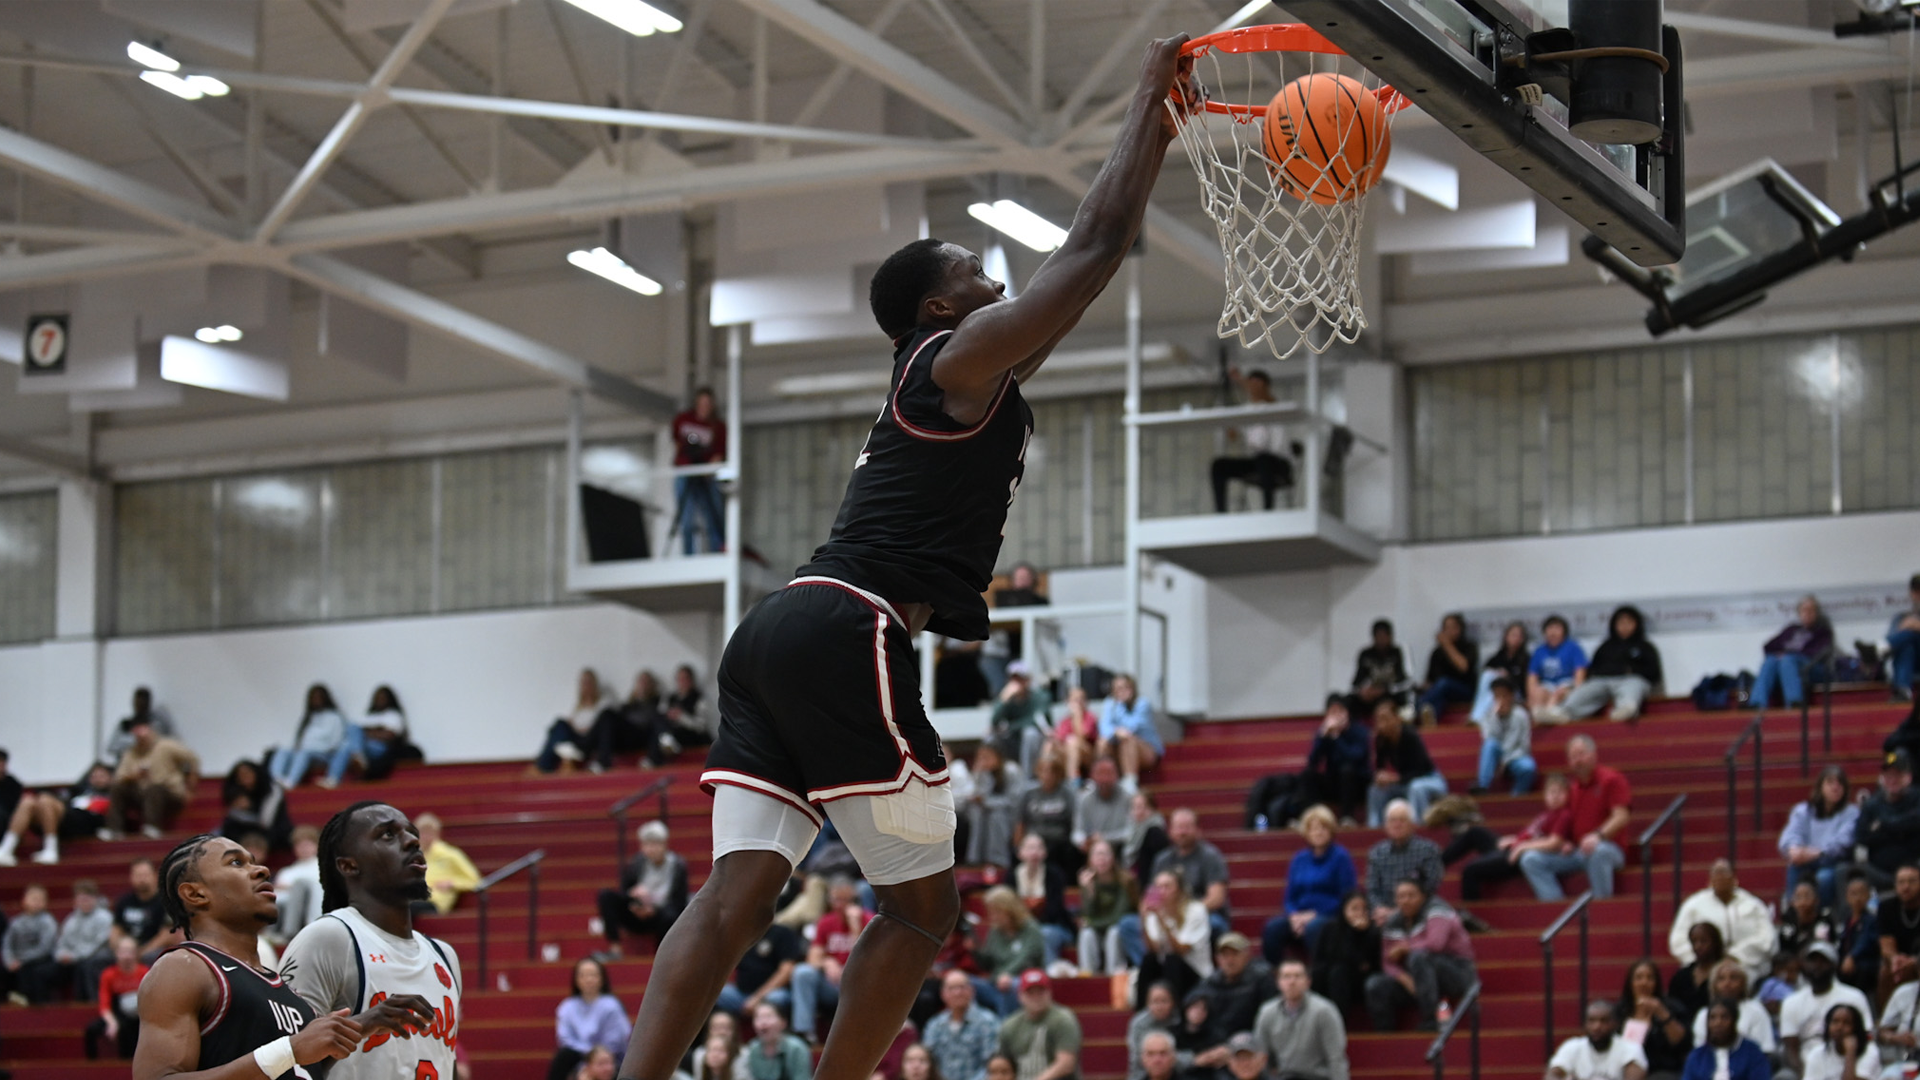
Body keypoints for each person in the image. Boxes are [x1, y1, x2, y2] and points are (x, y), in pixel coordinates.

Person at [630, 98, 1208, 1080]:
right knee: (922, 908)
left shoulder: (970, 370)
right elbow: (1096, 245)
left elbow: (1070, 292)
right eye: (977, 274)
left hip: (775, 630)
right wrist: (1154, 111)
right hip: (850, 625)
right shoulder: (950, 361)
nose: (998, 281)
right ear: (940, 310)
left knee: (734, 899)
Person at [130, 835, 393, 1080]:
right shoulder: (184, 968)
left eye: (253, 862)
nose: (262, 870)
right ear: (196, 894)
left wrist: (361, 1025)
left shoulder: (287, 993)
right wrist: (289, 1050)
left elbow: (291, 1068)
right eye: (236, 862)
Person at [279, 804, 463, 1080]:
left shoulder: (444, 955)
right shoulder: (329, 937)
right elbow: (279, 1061)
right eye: (388, 835)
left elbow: (443, 1061)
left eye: (411, 832)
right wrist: (362, 1025)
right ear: (349, 865)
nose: (413, 840)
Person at [1521, 735, 1631, 900]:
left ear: (1593, 754)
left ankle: (1602, 909)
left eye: (1581, 754)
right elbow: (1567, 822)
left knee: (1598, 851)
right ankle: (1557, 910)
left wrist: (1598, 836)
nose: (1577, 761)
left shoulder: (1611, 780)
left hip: (1609, 848)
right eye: (1572, 757)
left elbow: (1622, 816)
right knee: (1531, 859)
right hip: (1579, 851)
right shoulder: (1572, 789)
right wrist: (1566, 842)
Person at [1364, 878, 1475, 1032]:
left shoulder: (1438, 910)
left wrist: (1405, 948)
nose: (1405, 901)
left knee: (1419, 957)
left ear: (1423, 896)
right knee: (1374, 984)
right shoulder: (1393, 922)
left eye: (1411, 895)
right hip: (1418, 980)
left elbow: (1435, 944)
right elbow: (1387, 962)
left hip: (1457, 973)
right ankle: (1386, 1035)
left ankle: (1431, 1020)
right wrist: (1406, 980)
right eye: (1401, 896)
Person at [1458, 773, 1575, 901]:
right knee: (1475, 833)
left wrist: (1521, 846)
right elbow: (1533, 835)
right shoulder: (1546, 815)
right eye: (1552, 792)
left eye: (1560, 793)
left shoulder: (1563, 815)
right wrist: (1515, 839)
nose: (1555, 797)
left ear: (1568, 796)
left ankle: (1470, 915)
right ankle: (1441, 860)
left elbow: (1553, 842)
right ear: (1545, 795)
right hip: (1514, 848)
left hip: (1517, 857)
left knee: (1470, 871)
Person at [1261, 806, 1355, 964]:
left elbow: (1347, 897)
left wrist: (1313, 915)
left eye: (1323, 828)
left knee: (1315, 928)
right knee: (1272, 928)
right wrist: (1295, 916)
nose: (1318, 833)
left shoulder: (1341, 857)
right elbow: (1289, 897)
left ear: (1331, 830)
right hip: (1299, 916)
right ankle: (1278, 975)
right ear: (1306, 832)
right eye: (1313, 828)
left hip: (1329, 916)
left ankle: (1318, 977)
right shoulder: (1299, 859)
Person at [1669, 860, 1775, 984]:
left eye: (1724, 873)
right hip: (1705, 972)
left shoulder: (1753, 905)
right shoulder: (1693, 906)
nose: (1720, 877)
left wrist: (1735, 957)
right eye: (1716, 873)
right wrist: (1704, 962)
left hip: (1748, 969)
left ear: (1734, 878)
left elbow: (1767, 939)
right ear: (1710, 879)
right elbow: (1678, 941)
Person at [595, 820, 690, 960]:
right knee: (606, 896)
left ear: (664, 844)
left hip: (662, 915)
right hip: (637, 912)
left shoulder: (678, 865)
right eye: (647, 844)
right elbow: (625, 891)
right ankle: (615, 948)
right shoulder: (637, 862)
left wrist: (654, 908)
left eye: (655, 844)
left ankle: (662, 958)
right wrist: (634, 899)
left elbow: (679, 901)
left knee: (670, 915)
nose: (651, 849)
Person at [1778, 944, 1874, 1080]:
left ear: (1834, 965)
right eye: (1812, 961)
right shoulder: (1791, 1002)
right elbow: (1790, 1047)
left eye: (1823, 961)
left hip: (1849, 1059)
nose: (1817, 966)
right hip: (1809, 1064)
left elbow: (1867, 1036)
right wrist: (1806, 1073)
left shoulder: (1854, 996)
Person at [794, 877, 870, 1042]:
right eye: (836, 899)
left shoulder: (869, 920)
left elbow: (867, 960)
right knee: (802, 972)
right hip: (832, 985)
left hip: (859, 984)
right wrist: (827, 962)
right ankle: (804, 1033)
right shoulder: (826, 922)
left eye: (845, 900)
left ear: (854, 900)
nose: (839, 905)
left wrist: (856, 927)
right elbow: (812, 959)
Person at [1210, 368, 1294, 514]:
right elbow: (1234, 435)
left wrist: (1240, 380)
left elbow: (1264, 397)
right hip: (1258, 462)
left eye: (1258, 384)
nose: (1254, 388)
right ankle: (1221, 513)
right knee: (1219, 465)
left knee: (1264, 460)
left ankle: (1268, 511)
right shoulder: (1247, 409)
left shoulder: (1272, 405)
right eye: (1252, 383)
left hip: (1279, 464)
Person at [1556, 606, 1662, 723]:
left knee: (1633, 685)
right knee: (1588, 688)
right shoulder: (1605, 647)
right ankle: (1564, 712)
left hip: (1631, 679)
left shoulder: (1645, 647)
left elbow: (1654, 672)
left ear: (1637, 624)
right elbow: (1593, 670)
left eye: (1629, 622)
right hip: (1603, 681)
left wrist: (1630, 670)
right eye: (1621, 622)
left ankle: (1626, 709)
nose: (1624, 626)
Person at [0, 759, 113, 867]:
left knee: (45, 799)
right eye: (94, 776)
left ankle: (51, 849)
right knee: (27, 801)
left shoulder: (112, 795)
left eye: (101, 776)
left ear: (111, 778)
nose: (97, 779)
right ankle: (6, 850)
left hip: (85, 822)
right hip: (64, 817)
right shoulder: (79, 790)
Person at [1252, 959, 1349, 1080]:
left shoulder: (1325, 1011)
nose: (1292, 982)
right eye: (1286, 977)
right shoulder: (1267, 1012)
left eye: (1297, 976)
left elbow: (1336, 1058)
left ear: (1308, 981)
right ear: (1278, 982)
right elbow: (1261, 1055)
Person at [108, 719, 200, 839]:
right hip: (141, 793)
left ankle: (152, 826)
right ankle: (115, 829)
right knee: (117, 788)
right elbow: (119, 778)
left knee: (155, 788)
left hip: (169, 793)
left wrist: (191, 787)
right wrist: (134, 776)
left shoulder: (167, 746)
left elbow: (192, 759)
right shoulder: (131, 752)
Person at [1781, 767, 1859, 907]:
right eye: (1830, 783)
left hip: (1833, 862)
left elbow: (1843, 842)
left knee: (1823, 878)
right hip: (1804, 860)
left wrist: (1816, 852)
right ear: (1820, 786)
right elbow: (1791, 834)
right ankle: (1793, 915)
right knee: (1793, 867)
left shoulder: (1851, 812)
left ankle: (1821, 917)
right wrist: (1794, 849)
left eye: (1840, 783)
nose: (1835, 787)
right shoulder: (1804, 810)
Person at [1134, 870, 1213, 1007]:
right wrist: (1143, 921)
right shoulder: (1154, 913)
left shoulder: (1196, 910)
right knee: (1149, 960)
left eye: (1167, 886)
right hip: (1167, 972)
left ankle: (1176, 1012)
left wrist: (1162, 920)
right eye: (1158, 887)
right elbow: (1153, 949)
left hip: (1195, 973)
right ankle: (1142, 1012)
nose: (1162, 891)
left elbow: (1181, 950)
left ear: (1179, 890)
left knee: (1172, 959)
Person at [1366, 700, 1447, 826]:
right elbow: (1379, 767)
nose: (1382, 724)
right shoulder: (1381, 739)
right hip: (1405, 782)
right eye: (1378, 720)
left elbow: (1421, 770)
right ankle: (1375, 826)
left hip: (1429, 778)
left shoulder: (1410, 736)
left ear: (1397, 719)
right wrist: (1379, 777)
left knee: (1416, 788)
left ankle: (1417, 825)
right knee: (1376, 789)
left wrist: (1395, 779)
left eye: (1385, 719)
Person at [1848, 750, 1920, 891]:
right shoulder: (1872, 804)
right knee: (1845, 870)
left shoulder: (1917, 798)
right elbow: (1861, 836)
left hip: (1914, 869)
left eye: (1897, 775)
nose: (1892, 780)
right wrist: (1902, 830)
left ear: (1908, 777)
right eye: (1888, 776)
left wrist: (1883, 825)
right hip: (1878, 872)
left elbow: (1916, 821)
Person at [1364, 800, 1445, 922]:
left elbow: (1429, 888)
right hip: (1384, 914)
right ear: (1386, 825)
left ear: (1413, 824)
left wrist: (1398, 912)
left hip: (1419, 912)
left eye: (1402, 820)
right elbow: (1372, 889)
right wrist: (1380, 909)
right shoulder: (1376, 853)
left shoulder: (1429, 850)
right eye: (1392, 820)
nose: (1397, 824)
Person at [1750, 597, 1835, 711]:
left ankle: (1794, 703)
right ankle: (1757, 704)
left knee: (1788, 659)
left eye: (1811, 610)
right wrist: (1779, 654)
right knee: (1771, 661)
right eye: (1804, 610)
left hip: (1811, 668)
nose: (1807, 614)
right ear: (1799, 613)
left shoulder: (1823, 632)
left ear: (1817, 613)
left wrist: (1787, 654)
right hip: (1786, 666)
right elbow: (1768, 646)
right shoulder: (1792, 629)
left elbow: (1816, 653)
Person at [671, 386, 728, 554]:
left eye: (708, 403)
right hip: (685, 473)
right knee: (687, 518)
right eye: (702, 403)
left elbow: (718, 454)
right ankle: (688, 554)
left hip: (706, 475)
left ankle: (717, 550)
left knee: (713, 515)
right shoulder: (683, 419)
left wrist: (708, 469)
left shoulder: (718, 427)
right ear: (696, 403)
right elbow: (678, 445)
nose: (705, 407)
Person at [1614, 959, 1691, 1080]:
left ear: (1657, 982)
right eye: (1639, 978)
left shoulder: (1672, 1007)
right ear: (1630, 983)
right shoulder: (1620, 1011)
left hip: (1665, 1072)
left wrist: (1662, 1013)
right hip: (1628, 1070)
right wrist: (1639, 1019)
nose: (1644, 982)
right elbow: (1626, 1049)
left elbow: (1681, 1042)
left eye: (1650, 978)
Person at [996, 970, 1081, 1080]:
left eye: (1040, 991)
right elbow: (1002, 1063)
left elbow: (1066, 1064)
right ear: (1019, 996)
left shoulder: (1063, 1020)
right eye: (1030, 992)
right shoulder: (1010, 1026)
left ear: (1049, 993)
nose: (1036, 997)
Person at [267, 685, 355, 789]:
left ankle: (291, 782)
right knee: (282, 751)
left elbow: (336, 742)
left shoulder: (334, 717)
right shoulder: (308, 718)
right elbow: (299, 740)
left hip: (324, 754)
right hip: (303, 752)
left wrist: (314, 749)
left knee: (304, 753)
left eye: (318, 697)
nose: (316, 700)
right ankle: (276, 778)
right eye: (313, 698)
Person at [1310, 892, 1381, 1018]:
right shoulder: (1330, 928)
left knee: (1339, 972)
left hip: (1359, 982)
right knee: (1318, 973)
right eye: (1354, 908)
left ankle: (1338, 1021)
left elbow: (1366, 964)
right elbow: (1320, 959)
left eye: (1364, 909)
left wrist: (1358, 933)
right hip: (1330, 979)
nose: (1360, 913)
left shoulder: (1373, 932)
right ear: (1344, 910)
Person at [1302, 696, 1370, 825]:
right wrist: (1322, 737)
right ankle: (1309, 818)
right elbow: (1312, 762)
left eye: (1340, 711)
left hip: (1357, 783)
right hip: (1334, 783)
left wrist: (1336, 737)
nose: (1337, 716)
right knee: (1308, 774)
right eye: (1333, 712)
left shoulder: (1359, 731)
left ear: (1347, 713)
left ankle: (1347, 818)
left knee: (1347, 769)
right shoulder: (1325, 733)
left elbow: (1354, 757)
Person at [717, 920, 805, 1020]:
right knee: (715, 994)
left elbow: (786, 971)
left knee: (777, 998)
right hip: (740, 995)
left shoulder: (782, 933)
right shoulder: (742, 934)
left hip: (771, 993)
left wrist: (757, 998)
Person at [978, 886, 1045, 1016]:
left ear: (1009, 910)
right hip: (995, 981)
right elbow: (987, 964)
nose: (993, 917)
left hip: (1022, 980)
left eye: (996, 912)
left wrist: (1007, 974)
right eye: (990, 912)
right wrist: (975, 950)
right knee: (962, 984)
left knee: (1009, 985)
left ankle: (1005, 1029)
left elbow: (1027, 958)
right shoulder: (995, 931)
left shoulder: (1031, 928)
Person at [924, 970, 1001, 1080]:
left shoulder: (988, 1022)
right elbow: (929, 1062)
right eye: (951, 988)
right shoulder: (934, 1025)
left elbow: (992, 1064)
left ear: (972, 990)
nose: (957, 993)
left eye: (962, 987)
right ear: (943, 994)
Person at [1075, 838, 1137, 975]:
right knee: (1086, 934)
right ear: (1090, 859)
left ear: (1113, 858)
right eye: (1097, 854)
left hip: (1118, 930)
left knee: (1113, 933)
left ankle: (1113, 975)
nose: (1102, 859)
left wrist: (1091, 922)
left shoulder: (1125, 881)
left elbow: (1119, 916)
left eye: (1106, 854)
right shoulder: (1088, 882)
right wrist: (1089, 892)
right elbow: (1087, 915)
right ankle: (1087, 975)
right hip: (1098, 931)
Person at [1686, 962, 1774, 1056]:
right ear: (1714, 985)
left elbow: (1764, 1050)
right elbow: (1700, 1051)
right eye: (1721, 979)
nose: (1727, 983)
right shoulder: (1704, 1014)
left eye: (1734, 978)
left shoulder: (1756, 1010)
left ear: (1743, 983)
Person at [1547, 1000, 1649, 1080]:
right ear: (1585, 1024)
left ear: (1615, 1023)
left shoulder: (1630, 1049)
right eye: (1592, 1021)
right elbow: (1552, 1075)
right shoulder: (1571, 1047)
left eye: (1603, 1021)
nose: (1597, 1027)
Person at [537, 669, 613, 774]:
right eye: (583, 683)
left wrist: (580, 729)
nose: (586, 686)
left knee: (559, 730)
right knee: (559, 725)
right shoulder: (578, 707)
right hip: (577, 737)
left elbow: (602, 727)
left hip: (589, 740)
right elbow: (572, 723)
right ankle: (544, 765)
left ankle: (543, 766)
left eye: (588, 682)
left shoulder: (603, 703)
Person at [1012, 835, 1073, 964]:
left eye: (1039, 848)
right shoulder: (1011, 876)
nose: (1034, 852)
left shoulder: (1055, 875)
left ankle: (1048, 975)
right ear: (1020, 853)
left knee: (1045, 933)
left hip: (1053, 926)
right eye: (1030, 848)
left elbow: (1054, 911)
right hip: (1019, 927)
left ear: (1045, 853)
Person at [1204, 932, 1276, 1040]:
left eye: (1235, 954)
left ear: (1247, 955)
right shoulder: (1211, 982)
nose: (1229, 960)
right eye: (1225, 955)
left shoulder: (1262, 979)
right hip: (1217, 1040)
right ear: (1217, 959)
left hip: (1252, 1039)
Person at [1472, 677, 1537, 795]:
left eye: (1504, 696)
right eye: (1497, 696)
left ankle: (1516, 798)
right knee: (1489, 745)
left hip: (1515, 756)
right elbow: (1489, 737)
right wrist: (1496, 717)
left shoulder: (1520, 715)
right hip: (1498, 754)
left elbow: (1522, 745)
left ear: (1511, 696)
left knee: (1528, 768)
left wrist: (1505, 762)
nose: (1500, 700)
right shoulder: (1489, 715)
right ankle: (1482, 786)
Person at [87, 935, 147, 1060]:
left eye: (130, 952)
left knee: (129, 1031)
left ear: (136, 954)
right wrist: (112, 1023)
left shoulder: (145, 973)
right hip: (117, 1013)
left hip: (140, 1016)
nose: (126, 956)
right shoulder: (108, 974)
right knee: (91, 1030)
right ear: (116, 953)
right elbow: (105, 1004)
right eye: (123, 952)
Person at [966, 743, 1025, 870]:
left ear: (998, 756)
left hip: (1011, 816)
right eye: (980, 757)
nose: (982, 761)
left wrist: (987, 802)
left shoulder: (1011, 770)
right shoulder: (984, 772)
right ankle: (976, 859)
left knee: (996, 815)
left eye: (986, 757)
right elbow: (976, 794)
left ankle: (998, 859)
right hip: (988, 814)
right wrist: (978, 774)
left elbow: (1015, 801)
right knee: (977, 812)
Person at [55, 879, 115, 1002]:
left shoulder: (105, 917)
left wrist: (74, 957)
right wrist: (61, 955)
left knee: (86, 965)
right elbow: (62, 942)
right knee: (50, 968)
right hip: (75, 957)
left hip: (99, 955)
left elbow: (97, 945)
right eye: (81, 899)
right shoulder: (71, 920)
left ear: (95, 899)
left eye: (87, 899)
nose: (84, 903)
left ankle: (91, 1001)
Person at [991, 663, 1055, 778]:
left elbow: (1036, 721)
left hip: (1037, 743)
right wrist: (1003, 700)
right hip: (1015, 742)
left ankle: (1028, 779)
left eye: (1020, 679)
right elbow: (994, 721)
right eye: (1013, 679)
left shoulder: (1040, 696)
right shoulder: (1007, 699)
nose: (1016, 683)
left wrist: (1010, 727)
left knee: (1030, 733)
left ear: (1028, 680)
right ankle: (998, 780)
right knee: (991, 737)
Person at [1099, 675, 1163, 788]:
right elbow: (1104, 727)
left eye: (1124, 687)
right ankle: (1103, 780)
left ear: (1132, 688)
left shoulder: (1143, 703)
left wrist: (1120, 705)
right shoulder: (1109, 703)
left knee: (1128, 740)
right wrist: (1115, 732)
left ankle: (1130, 783)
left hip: (1146, 751)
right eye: (1117, 689)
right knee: (1103, 742)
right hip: (1119, 749)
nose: (1121, 691)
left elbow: (1132, 727)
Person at [1017, 756, 1079, 874]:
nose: (1047, 775)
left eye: (1052, 771)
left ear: (1059, 774)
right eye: (1043, 770)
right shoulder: (1028, 794)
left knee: (1070, 851)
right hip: (1034, 839)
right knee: (1023, 850)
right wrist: (1018, 846)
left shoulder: (1067, 794)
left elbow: (1073, 821)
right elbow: (1020, 822)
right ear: (1037, 772)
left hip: (1059, 841)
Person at [1416, 614, 1479, 727]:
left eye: (1453, 627)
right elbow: (1430, 680)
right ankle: (1430, 721)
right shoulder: (1436, 652)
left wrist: (1446, 644)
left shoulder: (1469, 646)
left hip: (1465, 690)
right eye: (1446, 628)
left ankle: (1416, 711)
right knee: (1436, 694)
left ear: (1460, 629)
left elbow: (1463, 667)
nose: (1449, 631)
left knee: (1444, 683)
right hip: (1442, 692)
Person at [1680, 1000, 1768, 1080]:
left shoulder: (1752, 1052)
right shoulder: (1696, 1057)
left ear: (1734, 1021)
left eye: (1724, 1017)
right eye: (1712, 1018)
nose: (1718, 1023)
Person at [415, 811, 481, 916]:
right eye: (422, 832)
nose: (425, 836)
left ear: (437, 834)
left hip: (434, 901)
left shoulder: (450, 854)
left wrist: (452, 883)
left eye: (429, 832)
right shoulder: (413, 856)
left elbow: (475, 880)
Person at [4, 882, 59, 1003]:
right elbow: (7, 945)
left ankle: (34, 1003)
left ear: (45, 903)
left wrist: (21, 960)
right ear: (24, 901)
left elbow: (45, 948)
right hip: (18, 960)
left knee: (33, 971)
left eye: (40, 900)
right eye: (33, 899)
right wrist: (9, 960)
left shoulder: (48, 922)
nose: (36, 902)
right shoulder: (16, 922)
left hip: (41, 959)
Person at [1528, 615, 1589, 720]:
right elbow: (1532, 677)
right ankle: (1539, 717)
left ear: (1564, 632)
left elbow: (1580, 674)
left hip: (1567, 685)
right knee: (1538, 693)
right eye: (1550, 629)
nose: (1553, 632)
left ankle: (1549, 715)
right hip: (1547, 686)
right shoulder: (1539, 651)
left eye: (1557, 628)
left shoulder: (1573, 648)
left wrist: (1577, 691)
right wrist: (1531, 695)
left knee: (1559, 693)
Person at [271, 825, 323, 946]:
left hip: (313, 914)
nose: (304, 849)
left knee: (300, 886)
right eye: (300, 845)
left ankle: (289, 932)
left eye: (308, 845)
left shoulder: (323, 867)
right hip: (285, 910)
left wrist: (291, 888)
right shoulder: (287, 871)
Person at [1071, 757, 1132, 860]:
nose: (1105, 779)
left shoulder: (1128, 797)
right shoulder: (1084, 799)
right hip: (1091, 849)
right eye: (1100, 774)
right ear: (1092, 776)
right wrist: (1083, 841)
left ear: (1117, 775)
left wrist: (1104, 839)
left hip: (1119, 848)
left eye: (1109, 773)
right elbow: (1077, 832)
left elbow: (1131, 832)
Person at [1472, 622, 1532, 723]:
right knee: (1489, 678)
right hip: (1496, 693)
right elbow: (1486, 671)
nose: (1516, 639)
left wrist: (1508, 677)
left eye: (1519, 636)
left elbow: (1523, 684)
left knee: (1498, 688)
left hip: (1515, 693)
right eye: (1513, 635)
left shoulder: (1526, 659)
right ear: (1506, 637)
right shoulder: (1499, 657)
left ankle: (1476, 717)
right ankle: (1478, 716)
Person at [1127, 982, 1188, 1080]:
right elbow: (1136, 1060)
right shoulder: (1138, 1024)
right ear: (1147, 1003)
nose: (1159, 1007)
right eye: (1155, 1001)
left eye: (1164, 1001)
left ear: (1173, 1002)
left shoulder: (1182, 1020)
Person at [1799, 1003, 1876, 1080]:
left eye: (1846, 1023)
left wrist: (1850, 1052)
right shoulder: (1817, 1053)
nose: (1839, 1027)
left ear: (1856, 1028)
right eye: (1835, 1021)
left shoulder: (1869, 1051)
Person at [1349, 620, 1411, 714]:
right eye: (1378, 636)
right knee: (1346, 699)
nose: (1381, 639)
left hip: (1391, 694)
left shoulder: (1398, 652)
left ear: (1390, 636)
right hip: (1370, 696)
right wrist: (1363, 690)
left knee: (1400, 698)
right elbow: (1356, 682)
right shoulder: (1366, 654)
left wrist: (1383, 690)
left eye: (1384, 636)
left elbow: (1405, 681)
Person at [1667, 925, 1726, 1021]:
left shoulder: (1724, 975)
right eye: (1694, 942)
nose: (1698, 946)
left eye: (1703, 941)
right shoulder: (1682, 976)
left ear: (1715, 943)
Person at [1777, 880, 1837, 971]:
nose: (1803, 902)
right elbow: (1784, 954)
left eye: (1807, 896)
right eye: (1798, 897)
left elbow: (1829, 949)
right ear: (1792, 902)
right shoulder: (1788, 927)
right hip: (1795, 972)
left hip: (1820, 970)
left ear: (1817, 900)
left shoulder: (1824, 921)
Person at [1834, 874, 1880, 995]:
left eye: (1861, 893)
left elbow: (1865, 941)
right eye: (1853, 894)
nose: (1858, 898)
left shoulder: (1871, 920)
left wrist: (1852, 957)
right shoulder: (1845, 920)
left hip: (1865, 963)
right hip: (1845, 962)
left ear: (1869, 896)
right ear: (1847, 897)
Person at [106, 687, 177, 764]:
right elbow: (111, 748)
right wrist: (135, 742)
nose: (140, 704)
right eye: (138, 701)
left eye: (144, 701)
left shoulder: (158, 724)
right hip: (130, 766)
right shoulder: (125, 724)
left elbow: (173, 742)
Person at [745, 1001, 812, 1080]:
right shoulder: (753, 1048)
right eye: (758, 1018)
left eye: (768, 1017)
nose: (763, 1022)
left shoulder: (796, 1048)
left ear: (783, 1023)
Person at [1052, 688, 1100, 784]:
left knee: (1073, 743)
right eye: (1075, 700)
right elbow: (1058, 740)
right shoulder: (1065, 721)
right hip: (1069, 754)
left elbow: (1083, 736)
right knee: (1050, 745)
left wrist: (1078, 716)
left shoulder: (1090, 717)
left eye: (1081, 699)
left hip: (1089, 756)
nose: (1078, 702)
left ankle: (1073, 780)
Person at [1885, 574, 1920, 703]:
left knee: (1910, 633)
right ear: (1911, 593)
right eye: (1916, 591)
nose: (1918, 595)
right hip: (1910, 661)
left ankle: (1878, 650)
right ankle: (1903, 691)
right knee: (1906, 646)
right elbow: (1893, 638)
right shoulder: (1901, 617)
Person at [1878, 973, 1920, 1076]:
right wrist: (1896, 1038)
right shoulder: (1904, 993)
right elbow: (1881, 1033)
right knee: (1888, 1076)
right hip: (1908, 1063)